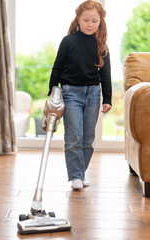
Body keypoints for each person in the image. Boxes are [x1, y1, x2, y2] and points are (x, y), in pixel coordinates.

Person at [48, 0, 112, 190]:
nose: (90, 24)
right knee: (74, 136)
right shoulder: (68, 41)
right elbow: (57, 67)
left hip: (93, 94)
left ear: (100, 22)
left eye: (94, 21)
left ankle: (81, 173)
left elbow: (105, 74)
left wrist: (107, 98)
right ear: (78, 19)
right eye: (86, 20)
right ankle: (75, 176)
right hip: (71, 93)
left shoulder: (101, 44)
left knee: (87, 139)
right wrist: (53, 91)